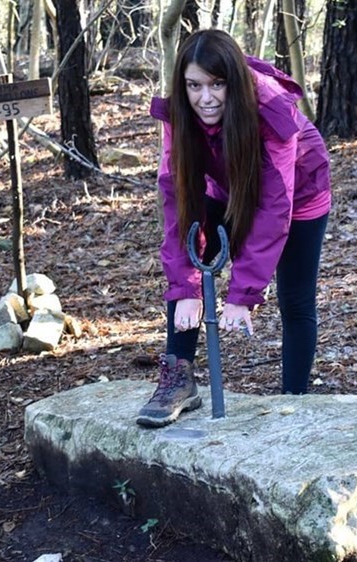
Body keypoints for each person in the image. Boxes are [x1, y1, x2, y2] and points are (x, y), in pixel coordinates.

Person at [136, 29, 331, 428]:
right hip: (224, 185)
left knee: (295, 300)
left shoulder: (271, 109)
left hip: (301, 193)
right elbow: (177, 200)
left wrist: (243, 294)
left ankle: (293, 401)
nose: (205, 98)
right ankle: (179, 380)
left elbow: (276, 206)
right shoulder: (179, 114)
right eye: (194, 86)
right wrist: (188, 289)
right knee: (191, 255)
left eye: (216, 85)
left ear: (233, 82)